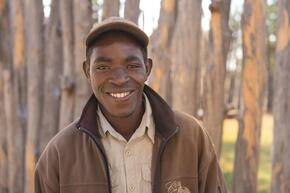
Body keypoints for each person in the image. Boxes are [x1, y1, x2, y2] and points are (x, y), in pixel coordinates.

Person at [34, 17, 227, 193]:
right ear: (87, 71)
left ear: (147, 68)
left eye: (132, 66)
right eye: (103, 67)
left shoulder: (191, 138)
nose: (119, 79)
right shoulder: (59, 154)